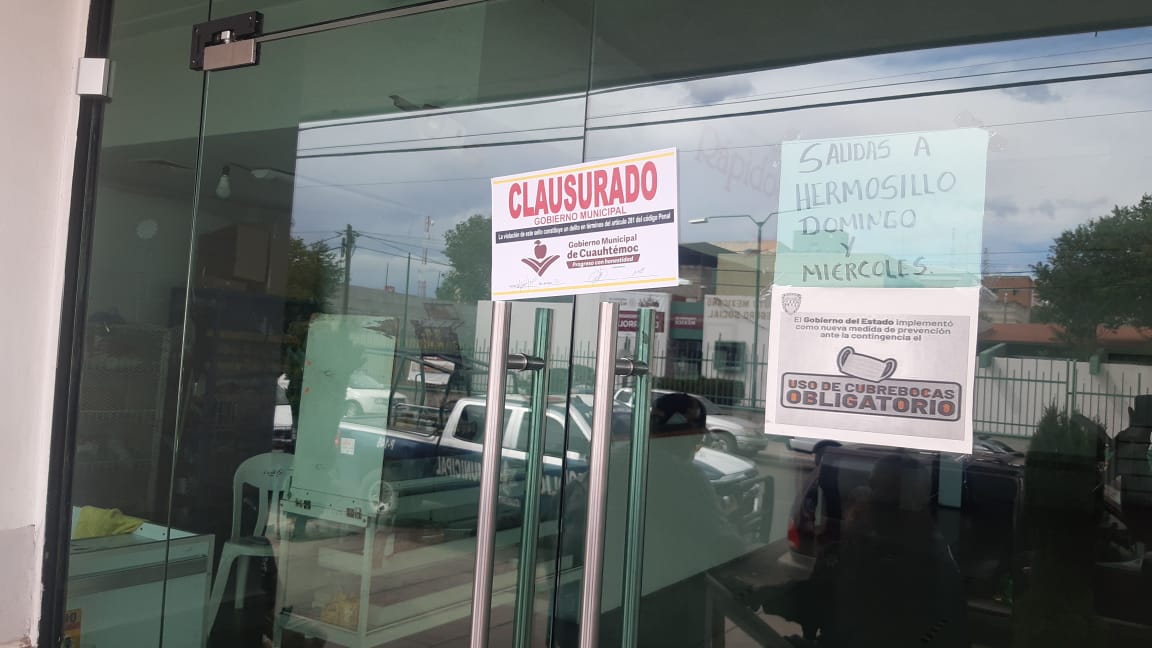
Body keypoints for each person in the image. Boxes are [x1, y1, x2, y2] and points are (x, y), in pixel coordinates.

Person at [557, 392, 747, 647]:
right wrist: (742, 543)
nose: (696, 448)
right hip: (655, 614)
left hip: (598, 606)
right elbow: (723, 544)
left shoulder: (612, 462)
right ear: (687, 437)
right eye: (697, 440)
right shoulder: (685, 478)